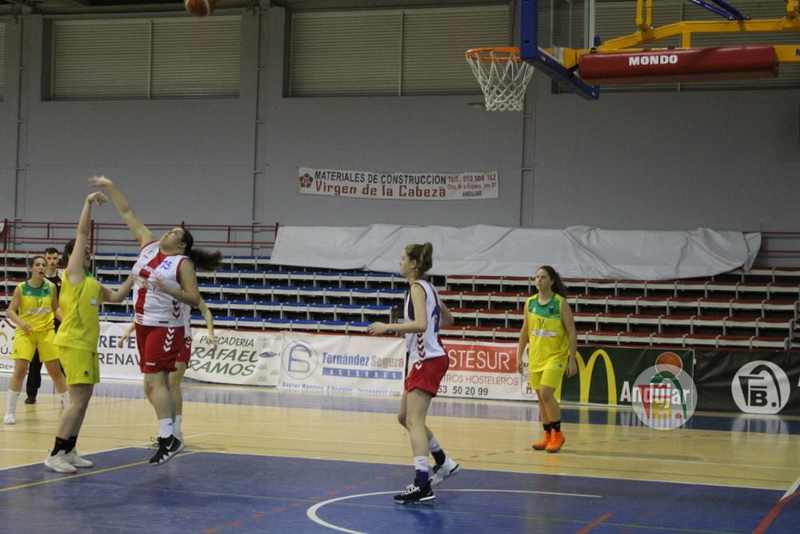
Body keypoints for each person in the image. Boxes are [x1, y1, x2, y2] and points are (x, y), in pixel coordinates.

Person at [90, 175, 222, 465]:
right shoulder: (148, 246)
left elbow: (194, 299)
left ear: (182, 245)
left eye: (175, 232)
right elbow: (128, 212)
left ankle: (170, 437)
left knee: (157, 382)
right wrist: (110, 185)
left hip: (166, 326)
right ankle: (170, 434)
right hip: (143, 322)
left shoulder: (181, 264)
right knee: (151, 385)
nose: (168, 231)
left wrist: (167, 289)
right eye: (170, 229)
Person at [44, 192, 134, 473]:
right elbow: (82, 232)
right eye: (83, 251)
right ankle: (55, 453)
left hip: (88, 345)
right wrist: (88, 203)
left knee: (83, 401)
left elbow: (117, 297)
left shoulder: (92, 282)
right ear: (73, 256)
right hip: (74, 342)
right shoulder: (72, 275)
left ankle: (69, 449)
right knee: (76, 400)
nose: (88, 253)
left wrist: (134, 275)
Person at [367, 242, 459, 505]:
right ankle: (443, 461)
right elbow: (448, 319)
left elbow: (420, 324)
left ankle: (422, 484)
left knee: (414, 421)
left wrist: (388, 327)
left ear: (413, 264)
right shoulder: (429, 288)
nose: (399, 262)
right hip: (426, 357)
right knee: (404, 417)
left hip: (427, 359)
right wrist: (429, 331)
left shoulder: (417, 289)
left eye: (402, 258)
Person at [117, 297, 218, 443]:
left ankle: (175, 432)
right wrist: (128, 330)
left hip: (182, 338)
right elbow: (151, 316)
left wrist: (211, 333)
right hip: (162, 335)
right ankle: (168, 423)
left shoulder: (185, 292)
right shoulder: (161, 294)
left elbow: (206, 311)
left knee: (172, 385)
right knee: (149, 387)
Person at [516, 265, 577, 454]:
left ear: (551, 281)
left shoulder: (560, 303)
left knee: (546, 393)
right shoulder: (530, 303)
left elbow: (572, 332)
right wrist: (519, 356)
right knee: (540, 398)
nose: (538, 280)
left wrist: (572, 359)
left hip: (556, 356)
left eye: (543, 277)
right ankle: (547, 434)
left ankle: (558, 434)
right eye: (537, 277)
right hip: (536, 356)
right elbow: (525, 331)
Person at [4, 256, 69, 424]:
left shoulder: (51, 287)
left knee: (55, 370)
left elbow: (55, 308)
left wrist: (66, 322)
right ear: (30, 268)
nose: (41, 267)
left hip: (46, 332)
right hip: (25, 332)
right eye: (38, 265)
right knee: (20, 370)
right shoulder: (21, 288)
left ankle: (69, 407)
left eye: (43, 265)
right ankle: (10, 411)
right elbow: (10, 311)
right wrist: (21, 323)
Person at [25, 247, 62, 405]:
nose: (52, 261)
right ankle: (31, 394)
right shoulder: (37, 280)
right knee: (35, 362)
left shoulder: (63, 279)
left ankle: (65, 394)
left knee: (61, 361)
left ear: (58, 260)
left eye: (54, 258)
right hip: (40, 325)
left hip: (58, 324)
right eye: (49, 258)